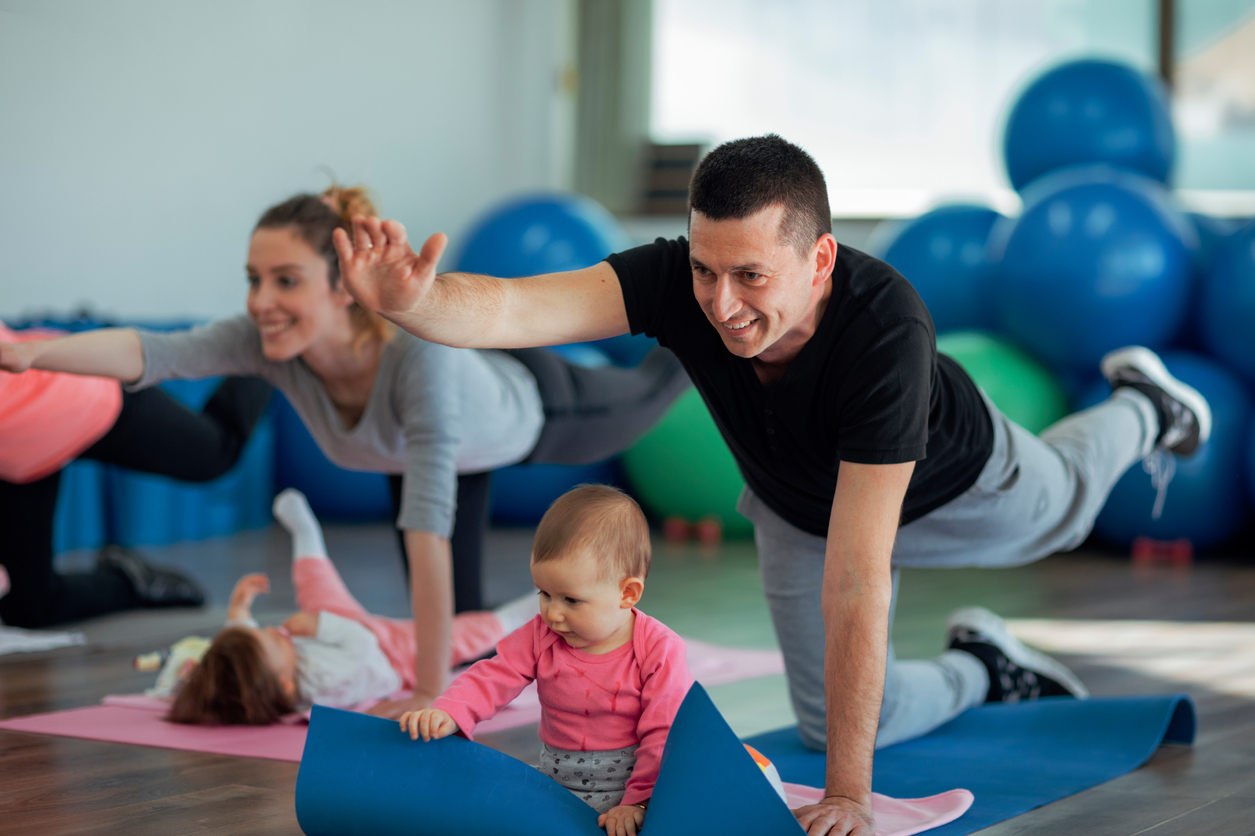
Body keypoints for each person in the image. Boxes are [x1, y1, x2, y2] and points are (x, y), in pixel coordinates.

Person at [331, 135, 1213, 836]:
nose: (720, 304)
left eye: (751, 276)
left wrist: (851, 796)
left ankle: (1141, 407)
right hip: (799, 508)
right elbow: (518, 309)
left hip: (961, 483)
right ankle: (981, 667)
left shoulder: (884, 329)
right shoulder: (680, 282)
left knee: (1065, 503)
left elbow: (861, 580)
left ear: (820, 258)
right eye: (707, 271)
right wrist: (410, 303)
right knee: (832, 717)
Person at [0, 185, 689, 719]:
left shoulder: (417, 360)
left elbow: (427, 536)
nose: (261, 300)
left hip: (540, 407)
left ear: (342, 288)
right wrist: (30, 354)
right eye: (253, 279)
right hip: (434, 457)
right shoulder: (268, 343)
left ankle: (700, 301)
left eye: (285, 281)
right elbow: (152, 353)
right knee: (464, 634)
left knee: (661, 379)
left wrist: (425, 693)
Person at [400, 484, 692, 836]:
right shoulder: (542, 634)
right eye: (544, 594)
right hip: (555, 783)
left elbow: (665, 733)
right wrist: (450, 710)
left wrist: (638, 803)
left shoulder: (659, 649)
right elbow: (494, 675)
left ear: (627, 594)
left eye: (571, 600)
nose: (553, 614)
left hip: (633, 792)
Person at [168, 489, 539, 724]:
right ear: (284, 683)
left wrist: (238, 610)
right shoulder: (325, 684)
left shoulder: (269, 676)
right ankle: (537, 606)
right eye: (275, 640)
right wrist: (320, 626)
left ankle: (306, 534)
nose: (274, 630)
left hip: (341, 629)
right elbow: (362, 647)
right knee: (474, 632)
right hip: (392, 652)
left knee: (314, 582)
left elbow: (245, 650)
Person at [0, 320, 271, 628]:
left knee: (217, 453)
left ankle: (269, 350)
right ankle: (129, 578)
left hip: (78, 395)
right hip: (21, 451)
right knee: (31, 607)